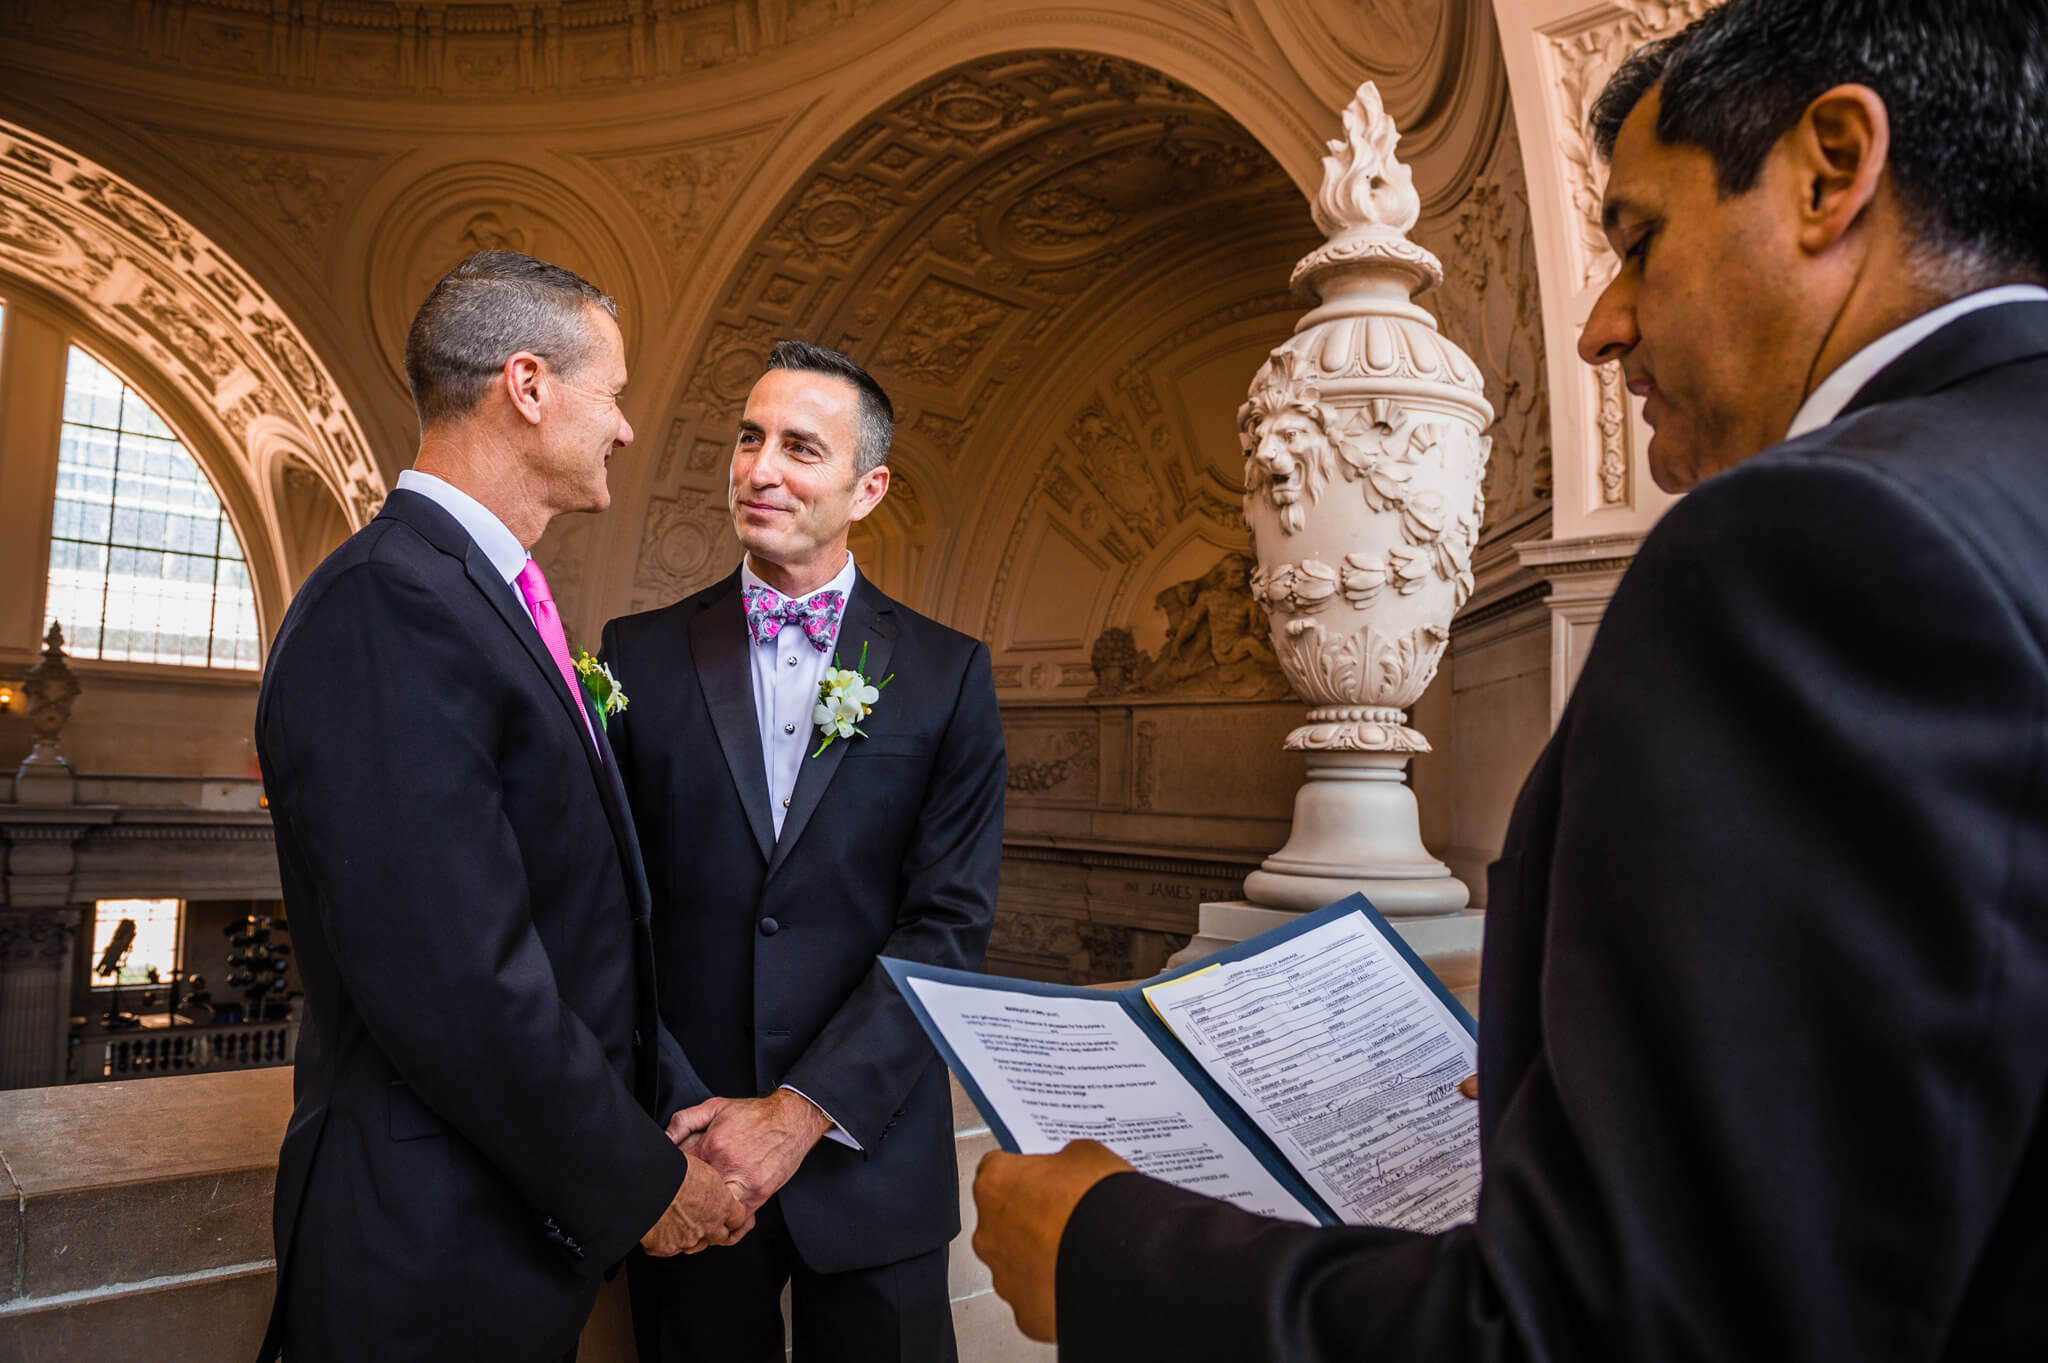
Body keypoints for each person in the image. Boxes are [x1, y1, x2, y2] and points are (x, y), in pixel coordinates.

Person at [970, 1, 2048, 1357]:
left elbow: (1614, 1331)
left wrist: (1111, 1253)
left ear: (1831, 171)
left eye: (1640, 239)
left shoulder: (1814, 545)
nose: (1600, 329)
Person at [254, 251, 749, 1363]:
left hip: (503, 1225)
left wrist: (671, 1098)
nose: (626, 429)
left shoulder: (477, 595)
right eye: (610, 394)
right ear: (527, 386)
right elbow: (456, 973)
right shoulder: (390, 601)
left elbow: (564, 922)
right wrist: (638, 1180)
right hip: (426, 1243)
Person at [601, 340, 1006, 1362]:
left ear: (867, 487)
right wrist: (683, 1110)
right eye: (748, 437)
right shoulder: (636, 653)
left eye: (798, 447)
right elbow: (610, 904)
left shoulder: (948, 673)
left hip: (872, 1166)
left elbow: (948, 923)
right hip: (687, 1157)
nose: (759, 468)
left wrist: (800, 1111)